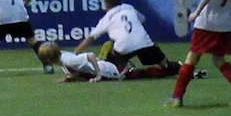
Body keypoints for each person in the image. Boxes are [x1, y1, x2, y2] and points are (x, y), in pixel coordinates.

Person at [73, 0, 182, 77]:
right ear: (120, 1)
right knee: (165, 64)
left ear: (106, 4)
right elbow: (142, 19)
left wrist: (75, 53)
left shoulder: (106, 18)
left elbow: (90, 38)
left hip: (123, 48)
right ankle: (185, 69)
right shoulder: (129, 7)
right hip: (144, 43)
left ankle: (124, 68)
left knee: (111, 60)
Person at [39, 41, 205, 83]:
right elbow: (76, 71)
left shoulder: (68, 59)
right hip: (106, 66)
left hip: (110, 71)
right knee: (144, 73)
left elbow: (89, 55)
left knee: (146, 74)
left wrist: (98, 75)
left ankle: (188, 72)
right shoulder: (64, 58)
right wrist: (68, 78)